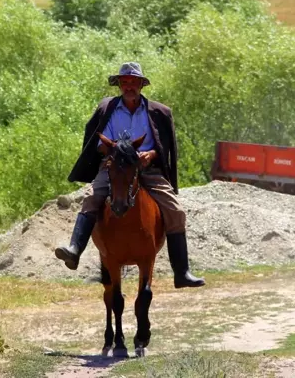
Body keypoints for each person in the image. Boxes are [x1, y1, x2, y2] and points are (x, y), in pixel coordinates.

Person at [55, 62, 205, 289]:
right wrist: (117, 151)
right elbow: (99, 143)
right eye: (125, 82)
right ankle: (75, 249)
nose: (129, 86)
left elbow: (163, 146)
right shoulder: (108, 108)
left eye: (133, 82)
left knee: (176, 210)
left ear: (141, 85)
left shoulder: (158, 112)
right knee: (92, 198)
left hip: (147, 167)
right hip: (115, 165)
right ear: (119, 85)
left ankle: (181, 272)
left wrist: (151, 153)